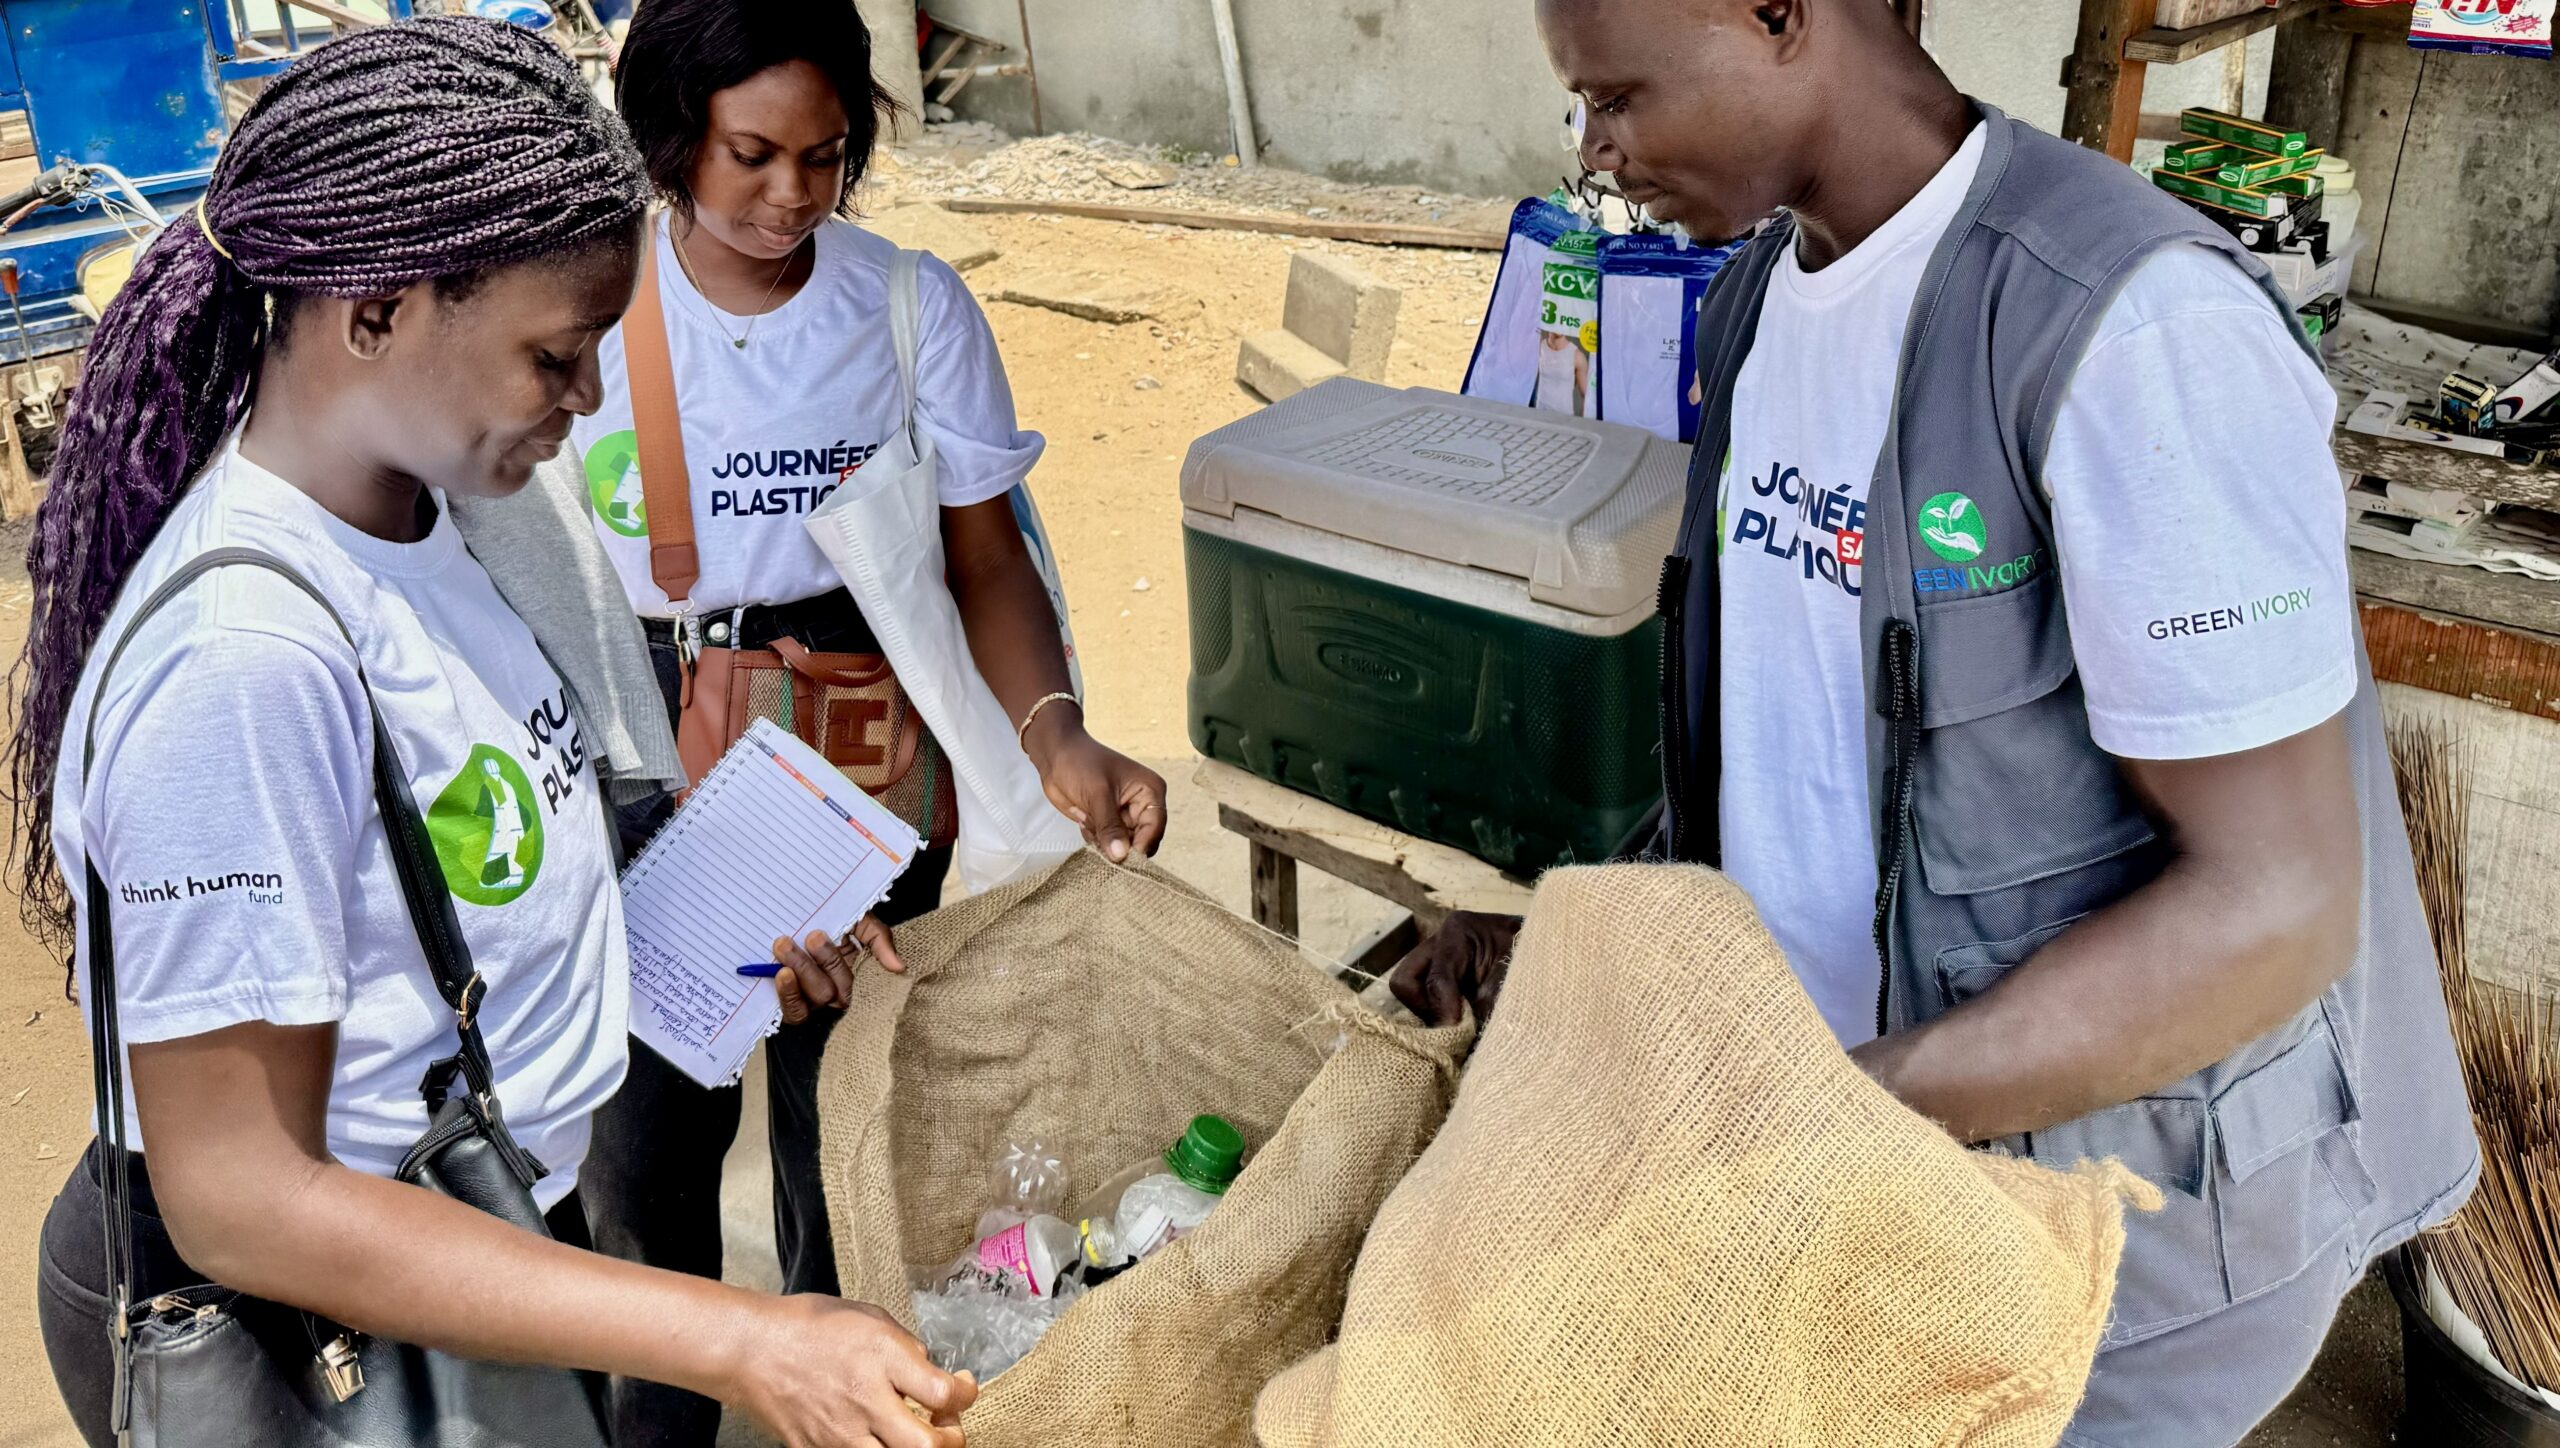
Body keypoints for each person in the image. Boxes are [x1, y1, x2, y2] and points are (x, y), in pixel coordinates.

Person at [1393, 2, 2478, 1442]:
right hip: (1874, 1178)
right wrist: (1571, 937)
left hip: (2112, 1255)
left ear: (1779, 14)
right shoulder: (1758, 301)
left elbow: (2275, 908)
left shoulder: (2133, 328)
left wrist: (1841, 1112)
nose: (1595, 152)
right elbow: (1796, 746)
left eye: (1620, 97)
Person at [12, 20, 971, 1448]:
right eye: (556, 355)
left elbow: (470, 876)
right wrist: (743, 1336)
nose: (588, 400)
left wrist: (720, 946)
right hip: (319, 1343)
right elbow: (243, 1196)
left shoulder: (462, 520)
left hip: (484, 1237)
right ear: (376, 311)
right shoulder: (245, 666)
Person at [575, 5, 1167, 1443]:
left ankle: (841, 1403)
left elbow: (984, 562)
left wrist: (1055, 735)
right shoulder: (586, 296)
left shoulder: (907, 307)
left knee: (845, 1134)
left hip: (858, 754)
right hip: (640, 745)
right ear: (671, 139)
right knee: (642, 1157)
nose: (793, 195)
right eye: (752, 155)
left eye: (826, 156)